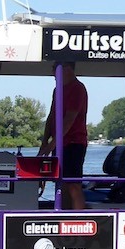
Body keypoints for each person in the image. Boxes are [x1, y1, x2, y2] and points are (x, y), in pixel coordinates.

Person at [38, 62, 89, 210]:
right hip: (59, 143)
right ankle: (64, 219)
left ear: (67, 69)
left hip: (74, 143)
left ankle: (78, 222)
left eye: (55, 69)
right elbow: (51, 116)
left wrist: (50, 146)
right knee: (61, 184)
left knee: (74, 185)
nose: (52, 72)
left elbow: (69, 120)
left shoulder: (78, 89)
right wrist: (44, 143)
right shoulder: (57, 90)